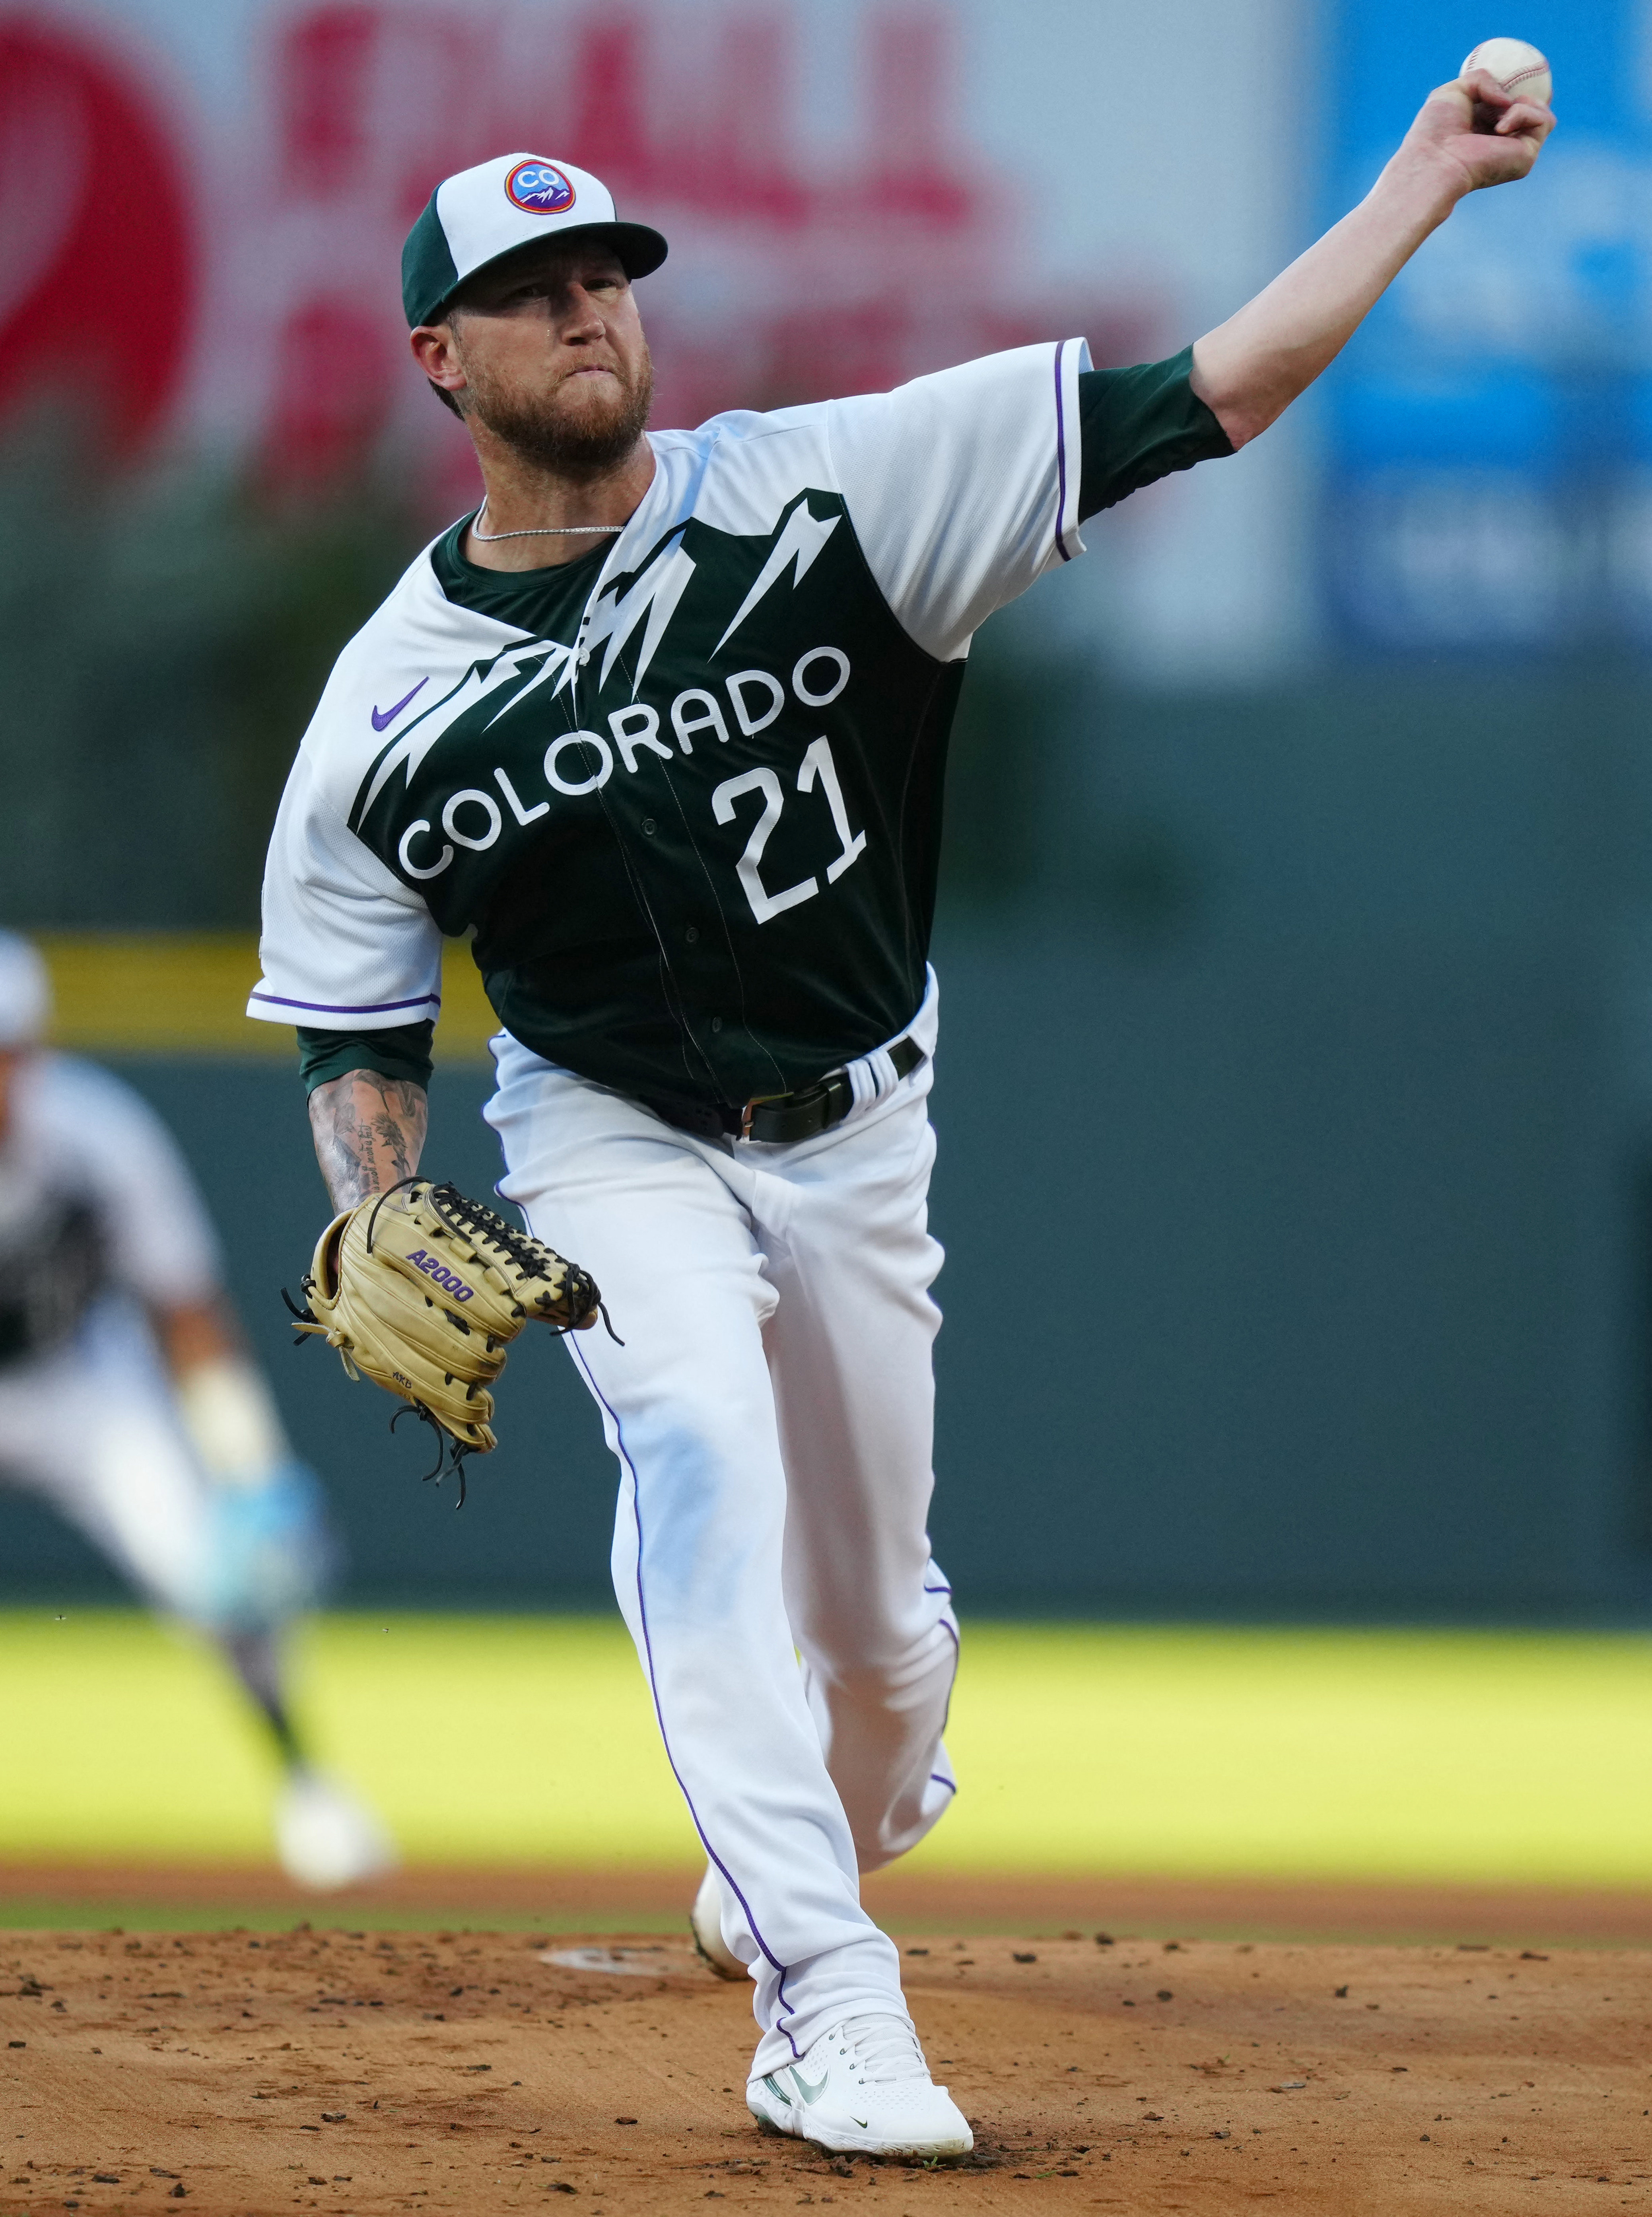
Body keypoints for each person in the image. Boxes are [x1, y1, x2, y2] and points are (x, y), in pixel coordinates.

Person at [250, 72, 1552, 2155]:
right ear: (441, 359)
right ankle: (822, 1994)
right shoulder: (385, 711)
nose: (587, 310)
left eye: (606, 271)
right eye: (527, 288)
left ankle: (828, 1813)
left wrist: (1420, 180)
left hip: (859, 1129)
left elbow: (1200, 395)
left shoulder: (830, 490)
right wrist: (375, 1196)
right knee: (690, 1436)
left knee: (878, 1644)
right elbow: (353, 1024)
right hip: (606, 1128)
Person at [0, 934, 393, 1890]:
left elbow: (184, 1311)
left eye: (10, 1055)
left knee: (224, 1574)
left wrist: (250, 1471)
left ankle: (307, 1783)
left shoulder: (99, 1134)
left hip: (81, 1385)